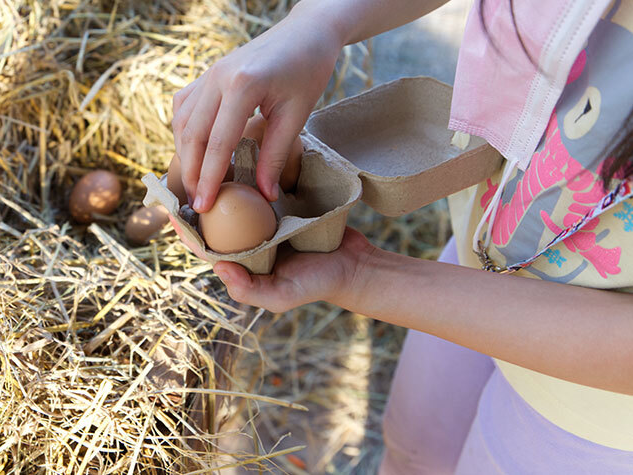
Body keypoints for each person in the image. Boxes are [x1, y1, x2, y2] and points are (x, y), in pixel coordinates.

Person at [169, 0, 633, 472]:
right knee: (414, 448)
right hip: (482, 255)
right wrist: (319, 24)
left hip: (593, 412)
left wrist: (365, 277)